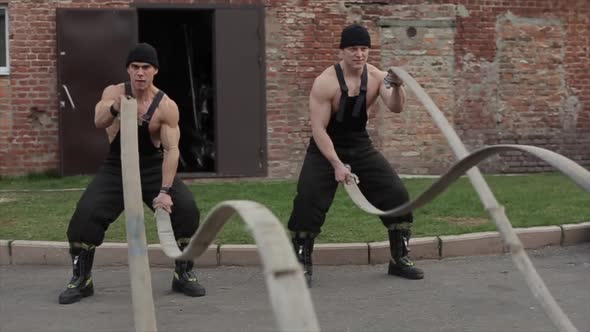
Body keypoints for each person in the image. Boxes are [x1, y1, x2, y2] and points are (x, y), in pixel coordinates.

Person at [58, 43, 205, 304]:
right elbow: (98, 120)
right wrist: (116, 108)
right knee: (85, 217)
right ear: (128, 69)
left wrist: (165, 192)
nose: (139, 73)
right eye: (134, 67)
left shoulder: (166, 106)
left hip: (150, 168)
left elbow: (172, 151)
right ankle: (82, 279)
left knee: (186, 210)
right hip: (116, 167)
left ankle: (183, 274)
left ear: (155, 71)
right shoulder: (114, 92)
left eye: (145, 67)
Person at [288, 24, 424, 286]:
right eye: (353, 49)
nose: (359, 54)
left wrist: (396, 86)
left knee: (396, 194)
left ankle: (399, 259)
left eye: (363, 49)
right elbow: (318, 129)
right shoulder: (325, 82)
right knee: (308, 200)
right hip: (326, 146)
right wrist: (336, 164)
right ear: (342, 51)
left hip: (359, 144)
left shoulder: (376, 77)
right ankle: (301, 264)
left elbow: (396, 107)